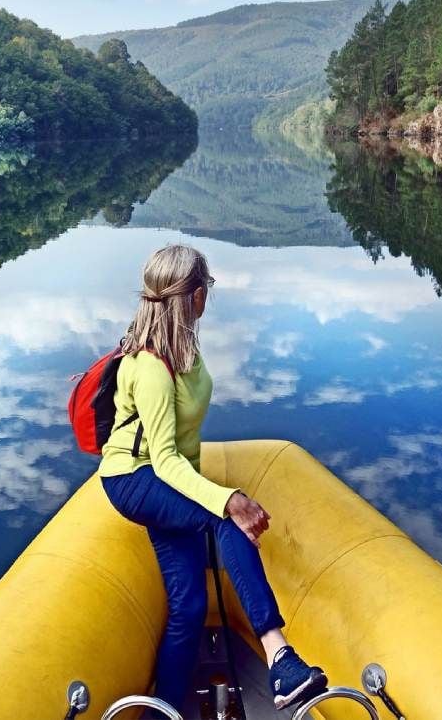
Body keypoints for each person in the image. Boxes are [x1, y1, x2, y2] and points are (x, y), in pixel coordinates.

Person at [98, 244, 327, 713]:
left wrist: (207, 492)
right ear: (197, 296)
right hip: (134, 479)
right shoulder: (151, 367)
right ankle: (279, 657)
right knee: (229, 519)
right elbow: (163, 459)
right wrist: (225, 499)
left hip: (160, 479)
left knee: (189, 608)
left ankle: (167, 709)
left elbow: (183, 444)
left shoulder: (181, 347)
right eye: (209, 289)